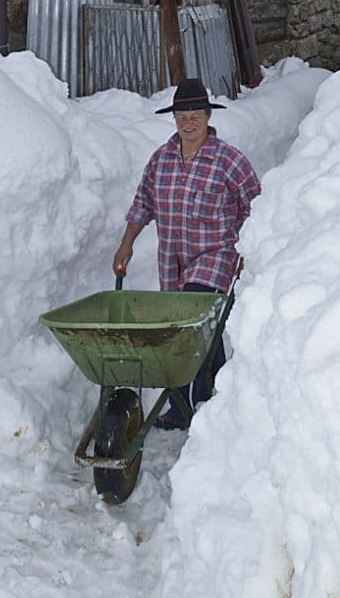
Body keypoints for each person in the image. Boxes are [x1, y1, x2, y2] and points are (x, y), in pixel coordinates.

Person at [112, 77, 261, 430]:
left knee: (197, 328)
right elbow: (143, 203)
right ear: (174, 118)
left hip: (216, 256)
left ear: (209, 116)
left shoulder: (230, 161)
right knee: (189, 334)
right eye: (182, 115)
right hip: (173, 262)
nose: (188, 122)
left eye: (196, 114)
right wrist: (126, 243)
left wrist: (248, 249)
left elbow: (257, 205)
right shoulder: (161, 159)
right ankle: (192, 406)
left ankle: (205, 406)